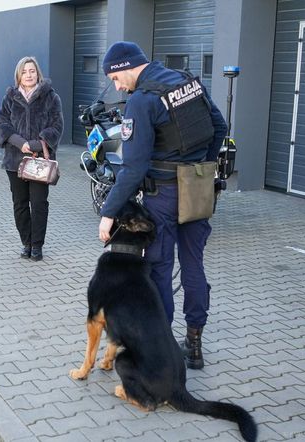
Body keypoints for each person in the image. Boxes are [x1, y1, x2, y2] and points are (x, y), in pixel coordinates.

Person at [97, 42, 227, 369]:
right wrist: (202, 168)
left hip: (163, 195)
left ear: (128, 67)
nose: (117, 86)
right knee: (194, 265)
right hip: (198, 187)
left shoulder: (142, 101)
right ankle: (194, 344)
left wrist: (108, 212)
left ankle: (161, 348)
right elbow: (219, 127)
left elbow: (134, 168)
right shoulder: (187, 81)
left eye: (115, 78)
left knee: (159, 269)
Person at [0, 56, 64, 261]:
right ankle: (26, 242)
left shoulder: (51, 97)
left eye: (32, 71)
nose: (28, 75)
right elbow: (2, 124)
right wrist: (19, 142)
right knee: (20, 203)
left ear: (38, 73)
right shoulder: (10, 97)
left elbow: (57, 126)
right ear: (19, 74)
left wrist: (35, 144)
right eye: (24, 71)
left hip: (39, 161)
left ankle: (37, 245)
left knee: (39, 203)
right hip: (14, 160)